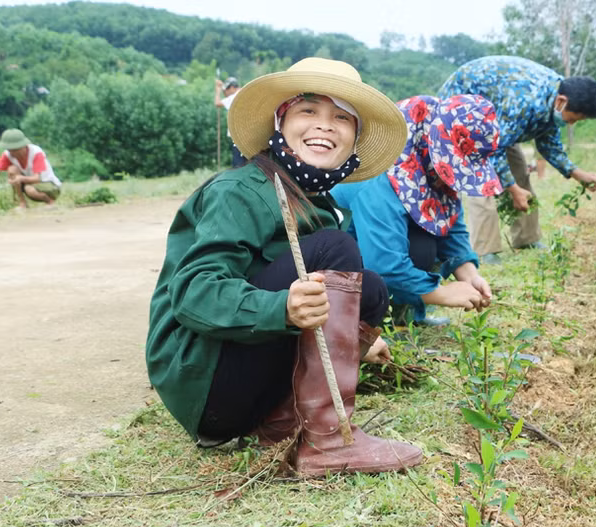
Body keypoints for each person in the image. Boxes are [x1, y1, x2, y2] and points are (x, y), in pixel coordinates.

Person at [147, 58, 423, 476]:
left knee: (370, 290)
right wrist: (281, 309)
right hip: (208, 387)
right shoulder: (238, 192)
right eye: (308, 111)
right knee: (335, 249)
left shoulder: (320, 207)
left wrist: (352, 341)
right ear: (280, 122)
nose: (325, 125)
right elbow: (192, 293)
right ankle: (328, 443)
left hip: (253, 392)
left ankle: (284, 427)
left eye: (342, 118)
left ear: (354, 139)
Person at [331, 95, 501, 326]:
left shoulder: (432, 166)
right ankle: (368, 321)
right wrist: (442, 292)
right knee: (415, 251)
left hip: (376, 255)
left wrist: (470, 276)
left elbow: (450, 225)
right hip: (341, 264)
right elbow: (383, 264)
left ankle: (405, 316)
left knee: (425, 243)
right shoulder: (380, 171)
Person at [438, 55, 596, 259]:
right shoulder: (524, 100)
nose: (572, 124)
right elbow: (494, 149)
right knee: (482, 180)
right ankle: (485, 251)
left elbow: (549, 146)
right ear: (562, 102)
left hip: (497, 124)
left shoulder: (555, 97)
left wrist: (579, 174)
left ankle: (527, 240)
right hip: (463, 115)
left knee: (521, 176)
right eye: (574, 118)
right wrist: (512, 190)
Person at [0, 129, 62, 209]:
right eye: (10, 150)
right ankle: (22, 203)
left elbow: (37, 178)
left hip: (49, 185)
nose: (13, 153)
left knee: (29, 189)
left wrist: (21, 178)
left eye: (15, 149)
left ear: (24, 146)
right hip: (29, 183)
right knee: (12, 169)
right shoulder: (8, 155)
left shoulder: (36, 153)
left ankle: (50, 202)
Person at [214, 75, 247, 167]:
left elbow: (217, 103)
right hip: (248, 136)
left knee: (238, 166)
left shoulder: (235, 96)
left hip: (238, 138)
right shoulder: (245, 92)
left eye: (226, 90)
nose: (225, 93)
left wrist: (218, 90)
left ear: (232, 87)